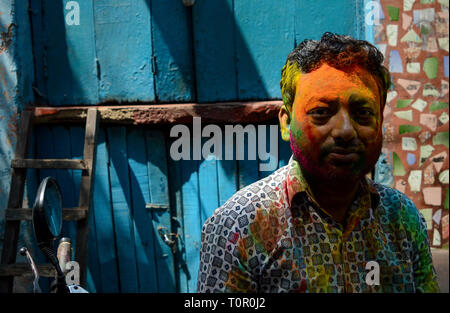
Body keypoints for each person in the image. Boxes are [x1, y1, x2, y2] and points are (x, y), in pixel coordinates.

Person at [197, 32, 439, 293]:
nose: (345, 130)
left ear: (381, 121)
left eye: (363, 113)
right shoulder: (238, 227)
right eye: (321, 112)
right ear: (286, 123)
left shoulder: (402, 219)